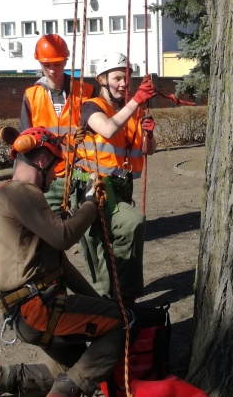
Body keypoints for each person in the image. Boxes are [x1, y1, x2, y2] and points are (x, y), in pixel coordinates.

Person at [0, 126, 127, 397]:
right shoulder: (20, 194)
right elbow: (63, 237)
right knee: (120, 323)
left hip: (27, 309)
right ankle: (65, 393)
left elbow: (60, 263)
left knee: (72, 363)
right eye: (57, 166)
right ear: (42, 161)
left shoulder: (11, 197)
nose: (56, 177)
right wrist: (90, 204)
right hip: (40, 308)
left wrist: (98, 301)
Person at [73, 52, 157, 303]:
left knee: (110, 239)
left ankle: (119, 297)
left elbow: (148, 150)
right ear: (102, 79)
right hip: (92, 184)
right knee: (121, 229)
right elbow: (107, 129)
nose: (124, 84)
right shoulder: (92, 107)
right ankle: (115, 297)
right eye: (118, 78)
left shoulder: (132, 110)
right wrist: (136, 102)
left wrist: (148, 135)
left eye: (127, 79)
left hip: (120, 185)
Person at [19, 33, 96, 214]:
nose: (53, 70)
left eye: (58, 64)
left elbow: (99, 132)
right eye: (47, 65)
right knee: (50, 226)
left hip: (81, 171)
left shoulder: (86, 91)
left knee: (84, 221)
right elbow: (24, 140)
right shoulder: (31, 96)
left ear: (66, 60)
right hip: (48, 175)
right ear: (39, 62)